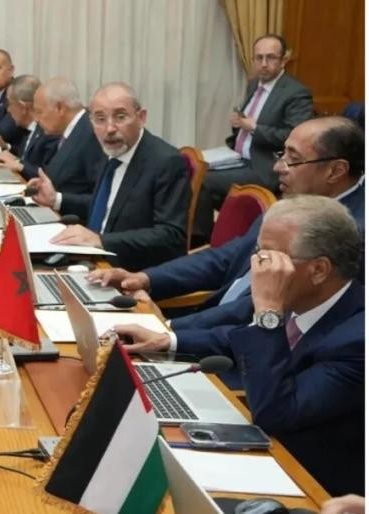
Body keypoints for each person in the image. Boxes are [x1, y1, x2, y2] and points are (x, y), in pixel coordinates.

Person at [114, 196, 364, 496]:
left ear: (319, 270)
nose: (256, 267)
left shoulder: (357, 339)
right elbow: (238, 336)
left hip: (309, 483)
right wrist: (168, 340)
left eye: (269, 258)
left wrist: (268, 311)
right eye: (257, 253)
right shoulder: (302, 296)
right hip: (260, 447)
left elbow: (277, 413)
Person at [91, 117, 364, 327]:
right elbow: (227, 257)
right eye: (282, 155)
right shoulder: (296, 200)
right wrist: (145, 278)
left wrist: (169, 329)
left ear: (335, 170)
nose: (278, 167)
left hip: (238, 348)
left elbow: (260, 309)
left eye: (293, 159)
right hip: (207, 321)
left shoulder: (352, 235)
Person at [25, 83, 189, 270]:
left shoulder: (165, 161)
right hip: (92, 259)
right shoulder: (111, 150)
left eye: (120, 117)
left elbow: (171, 236)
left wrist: (101, 240)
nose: (109, 128)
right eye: (100, 119)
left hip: (130, 271)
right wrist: (56, 199)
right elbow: (107, 207)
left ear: (141, 117)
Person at [195, 34, 314, 239]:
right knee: (192, 168)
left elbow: (294, 137)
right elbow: (247, 124)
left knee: (203, 181)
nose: (264, 64)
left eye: (270, 57)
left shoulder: (296, 93)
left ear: (283, 60)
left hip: (265, 166)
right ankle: (229, 230)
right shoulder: (253, 85)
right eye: (259, 58)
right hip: (238, 157)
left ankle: (203, 241)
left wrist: (254, 127)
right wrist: (239, 123)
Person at [28, 77, 105, 196]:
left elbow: (99, 197)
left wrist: (58, 200)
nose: (36, 119)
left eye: (39, 112)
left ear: (60, 108)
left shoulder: (91, 134)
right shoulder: (68, 130)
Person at [0, 74, 59, 179]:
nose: (8, 109)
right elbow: (26, 156)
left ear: (23, 107)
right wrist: (6, 147)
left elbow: (48, 175)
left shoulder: (48, 131)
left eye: (10, 103)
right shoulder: (29, 128)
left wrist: (19, 165)